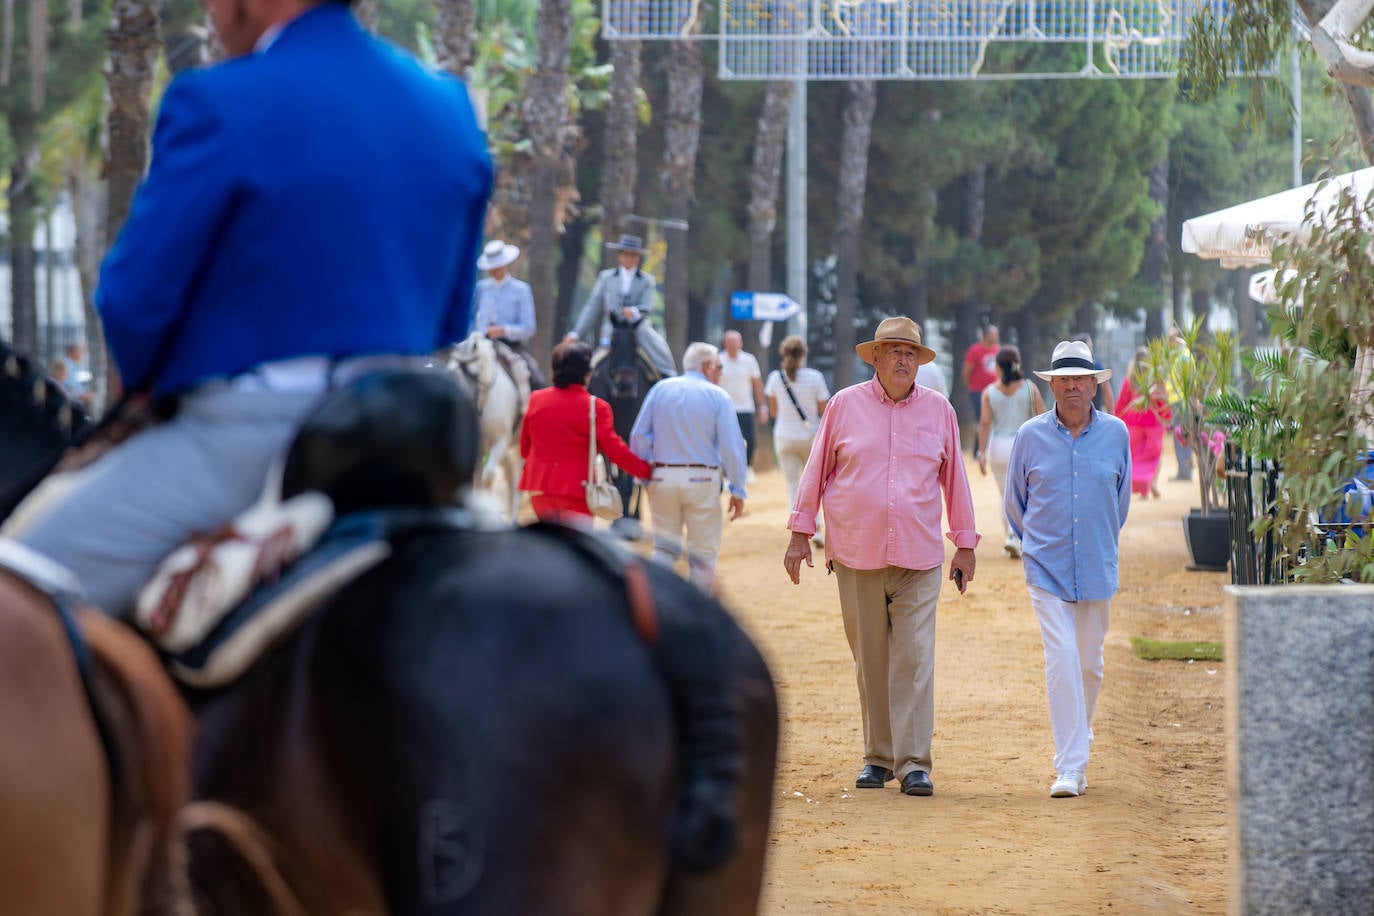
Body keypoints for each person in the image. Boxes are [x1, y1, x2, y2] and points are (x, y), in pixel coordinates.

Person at [4, 0, 492, 616]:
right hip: (406, 447)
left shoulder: (220, 100)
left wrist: (146, 394)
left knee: (18, 601)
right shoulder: (448, 107)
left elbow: (133, 300)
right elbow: (451, 318)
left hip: (246, 443)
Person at [783, 316, 978, 798]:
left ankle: (914, 763)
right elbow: (815, 471)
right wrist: (799, 532)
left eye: (911, 353)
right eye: (893, 351)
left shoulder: (940, 411)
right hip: (855, 553)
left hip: (918, 556)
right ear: (875, 358)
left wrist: (966, 543)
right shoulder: (843, 407)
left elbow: (955, 480)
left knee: (913, 659)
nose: (903, 360)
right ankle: (878, 757)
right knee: (870, 660)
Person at [1005, 339, 1130, 799]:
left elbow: (1120, 504)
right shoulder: (1028, 437)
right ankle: (1070, 766)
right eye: (1064, 379)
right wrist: (1037, 545)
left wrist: (1096, 540)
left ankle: (1081, 734)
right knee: (1061, 660)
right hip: (1046, 566)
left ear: (1094, 386)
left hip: (1097, 564)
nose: (1073, 385)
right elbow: (1013, 506)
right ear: (1052, 385)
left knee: (1090, 665)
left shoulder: (1117, 434)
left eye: (1081, 378)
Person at [630, 342, 748, 591]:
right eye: (719, 366)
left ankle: (658, 612)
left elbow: (638, 436)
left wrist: (646, 475)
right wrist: (738, 489)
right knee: (703, 556)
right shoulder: (718, 396)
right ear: (706, 366)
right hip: (702, 480)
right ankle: (696, 617)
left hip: (661, 478)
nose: (721, 372)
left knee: (663, 552)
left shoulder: (660, 389)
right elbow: (732, 448)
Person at [518, 341, 652, 524]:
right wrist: (645, 470)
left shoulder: (536, 399)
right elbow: (615, 451)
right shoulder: (596, 407)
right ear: (587, 373)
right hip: (577, 492)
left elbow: (525, 449)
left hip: (540, 490)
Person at [567, 234, 677, 379]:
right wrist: (576, 333)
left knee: (660, 352)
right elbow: (592, 307)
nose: (629, 258)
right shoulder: (606, 278)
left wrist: (633, 312)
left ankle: (669, 376)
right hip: (612, 331)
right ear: (620, 256)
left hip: (638, 330)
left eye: (633, 255)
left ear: (638, 257)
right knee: (593, 366)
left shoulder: (647, 281)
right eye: (626, 254)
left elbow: (647, 306)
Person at [976, 345, 1045, 558]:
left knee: (1004, 495)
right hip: (1023, 444)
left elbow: (985, 424)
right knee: (1025, 493)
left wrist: (981, 452)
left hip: (998, 447)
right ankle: (1019, 537)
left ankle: (1010, 536)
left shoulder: (989, 392)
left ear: (998, 367)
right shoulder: (1029, 388)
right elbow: (1041, 417)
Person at [764, 334, 828, 541]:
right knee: (812, 484)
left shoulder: (775, 378)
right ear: (804, 354)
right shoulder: (815, 377)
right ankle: (816, 528)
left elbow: (773, 412)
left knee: (792, 484)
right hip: (810, 436)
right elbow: (823, 409)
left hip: (784, 436)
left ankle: (798, 530)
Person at [471, 238, 547, 390]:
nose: (494, 270)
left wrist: (503, 330)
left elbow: (529, 327)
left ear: (505, 264)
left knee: (536, 380)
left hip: (510, 346)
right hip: (479, 343)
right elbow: (471, 318)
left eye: (497, 266)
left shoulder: (521, 289)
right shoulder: (480, 288)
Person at [1114, 347, 1171, 499]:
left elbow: (1121, 403)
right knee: (1154, 457)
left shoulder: (1130, 379)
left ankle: (1143, 487)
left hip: (1133, 423)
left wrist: (1117, 417)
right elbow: (1163, 401)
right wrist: (1166, 417)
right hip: (1153, 424)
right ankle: (1151, 482)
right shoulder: (1156, 380)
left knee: (1135, 458)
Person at [717, 330, 768, 479]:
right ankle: (727, 473)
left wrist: (763, 407)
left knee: (750, 439)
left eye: (735, 342)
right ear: (725, 343)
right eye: (729, 342)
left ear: (740, 343)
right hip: (725, 408)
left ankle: (747, 468)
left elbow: (757, 384)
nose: (733, 345)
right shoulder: (718, 360)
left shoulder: (749, 360)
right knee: (726, 441)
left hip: (746, 407)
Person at [962, 324, 999, 457]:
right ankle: (978, 450)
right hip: (978, 391)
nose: (995, 337)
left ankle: (987, 449)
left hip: (994, 391)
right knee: (981, 420)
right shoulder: (975, 350)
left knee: (992, 420)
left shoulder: (997, 350)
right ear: (985, 335)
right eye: (992, 334)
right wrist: (971, 386)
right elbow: (967, 370)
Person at [1073, 333, 1115, 415]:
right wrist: (1111, 413)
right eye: (1090, 346)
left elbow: (1106, 390)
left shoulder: (1069, 369)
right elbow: (1106, 391)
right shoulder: (1096, 366)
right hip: (1094, 415)